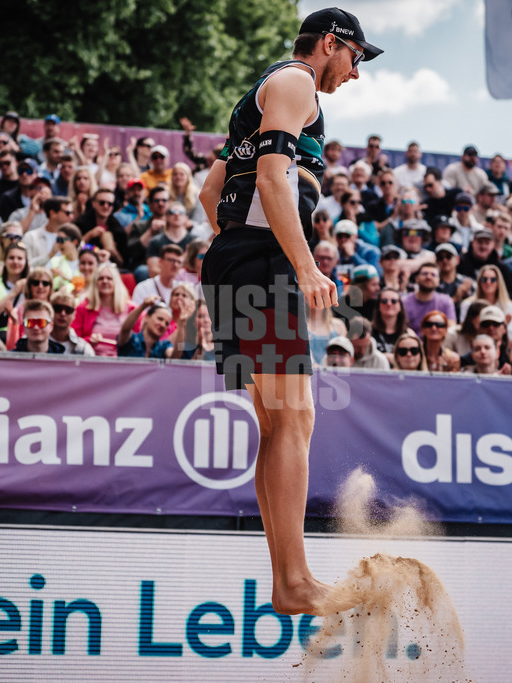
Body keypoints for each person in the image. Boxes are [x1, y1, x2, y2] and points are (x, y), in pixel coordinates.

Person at [197, 7, 381, 616]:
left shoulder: (265, 93)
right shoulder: (297, 81)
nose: (355, 73)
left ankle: (288, 581)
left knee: (279, 425)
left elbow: (211, 190)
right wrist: (300, 265)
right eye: (355, 58)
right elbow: (274, 178)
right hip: (261, 263)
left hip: (239, 260)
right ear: (331, 43)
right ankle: (295, 581)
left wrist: (236, 250)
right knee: (295, 421)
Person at [71, 261, 135, 357]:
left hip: (122, 360)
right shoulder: (82, 308)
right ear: (95, 283)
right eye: (101, 278)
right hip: (92, 359)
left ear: (116, 282)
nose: (105, 281)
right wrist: (89, 340)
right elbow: (72, 340)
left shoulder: (131, 309)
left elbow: (141, 341)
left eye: (109, 278)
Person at [459, 264, 512, 339]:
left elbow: (510, 334)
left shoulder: (508, 305)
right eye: (484, 279)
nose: (488, 282)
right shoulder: (467, 304)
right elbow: (464, 331)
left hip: (500, 342)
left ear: (498, 283)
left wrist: (504, 325)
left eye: (493, 279)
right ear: (479, 282)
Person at [0, 243, 30, 340]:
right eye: (11, 258)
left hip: (26, 333)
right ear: (4, 261)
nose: (15, 261)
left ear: (26, 263)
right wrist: (13, 293)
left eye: (20, 258)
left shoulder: (33, 285)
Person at [3, 267, 54, 350]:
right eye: (35, 283)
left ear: (50, 287)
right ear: (29, 286)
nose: (40, 286)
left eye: (45, 283)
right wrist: (15, 322)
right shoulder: (20, 310)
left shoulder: (57, 308)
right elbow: (12, 346)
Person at [371, 286, 409, 359]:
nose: (389, 304)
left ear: (400, 306)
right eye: (384, 301)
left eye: (394, 301)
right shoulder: (368, 331)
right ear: (378, 305)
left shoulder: (408, 333)